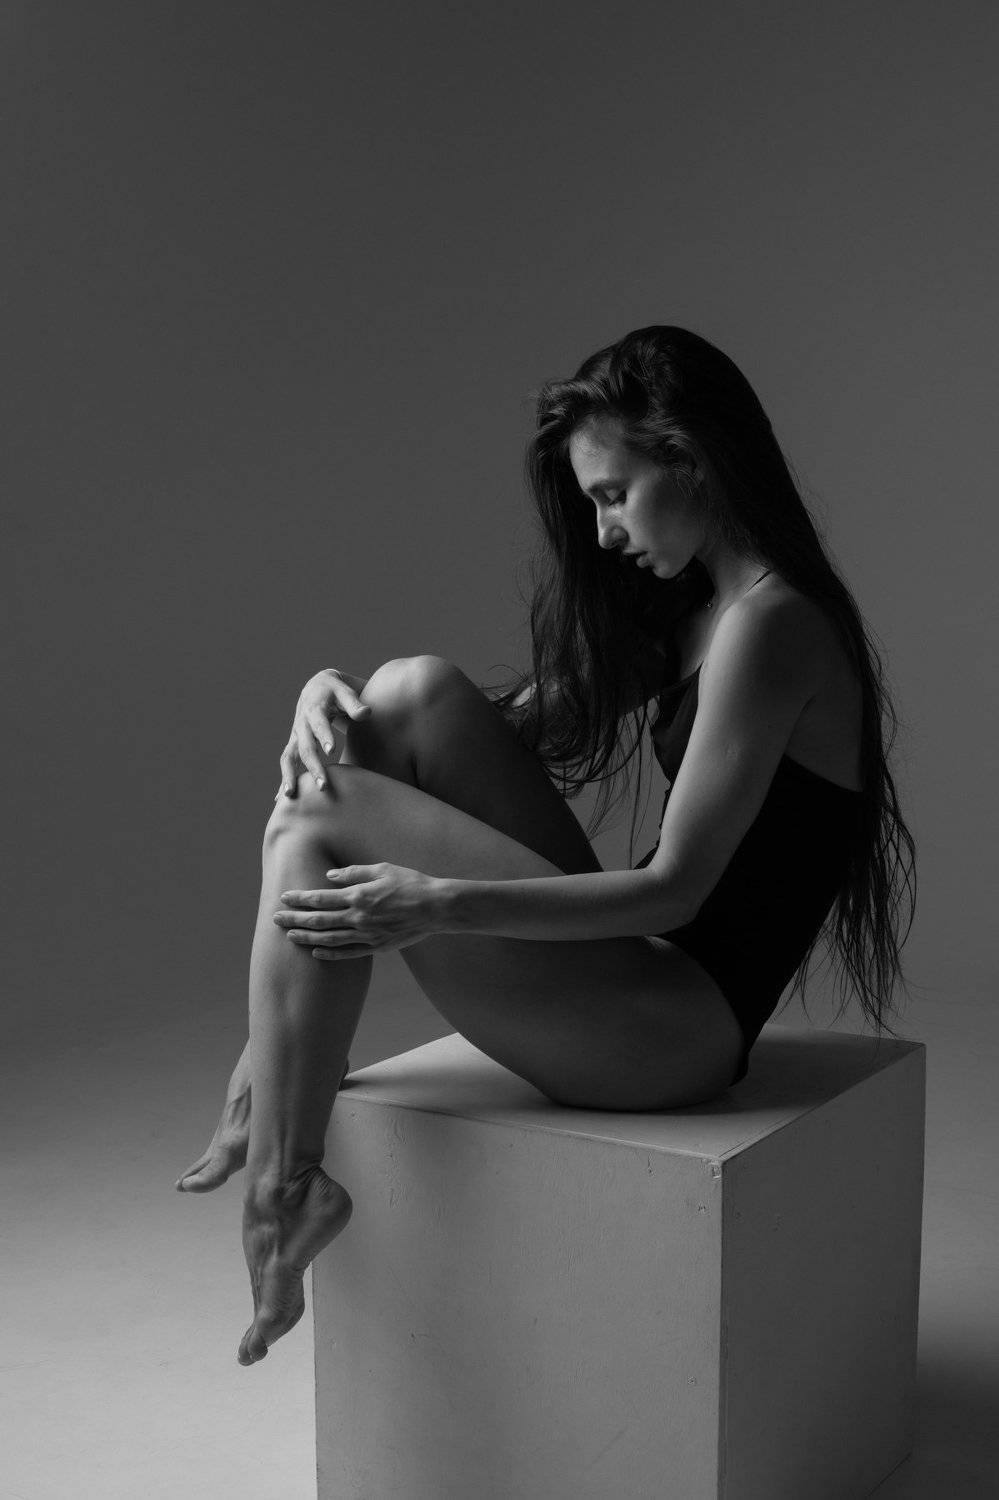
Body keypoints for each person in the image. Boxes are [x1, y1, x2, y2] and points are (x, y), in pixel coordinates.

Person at [175, 325, 917, 1366]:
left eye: (613, 495)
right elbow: (472, 730)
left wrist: (435, 902)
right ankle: (286, 1062)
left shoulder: (773, 625)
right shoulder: (704, 614)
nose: (603, 532)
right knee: (406, 692)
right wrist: (320, 697)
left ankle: (282, 1183)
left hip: (671, 1035)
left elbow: (674, 891)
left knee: (316, 815)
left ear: (690, 459)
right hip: (638, 985)